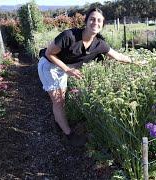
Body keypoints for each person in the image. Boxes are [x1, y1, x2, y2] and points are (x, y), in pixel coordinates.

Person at [37, 8, 133, 146]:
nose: (95, 22)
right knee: (58, 101)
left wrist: (134, 61)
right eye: (92, 19)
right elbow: (49, 53)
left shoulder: (99, 44)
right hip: (49, 65)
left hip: (65, 68)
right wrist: (67, 69)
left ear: (103, 24)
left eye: (99, 20)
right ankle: (69, 135)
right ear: (86, 21)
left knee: (60, 100)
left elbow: (117, 56)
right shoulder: (69, 36)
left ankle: (59, 123)